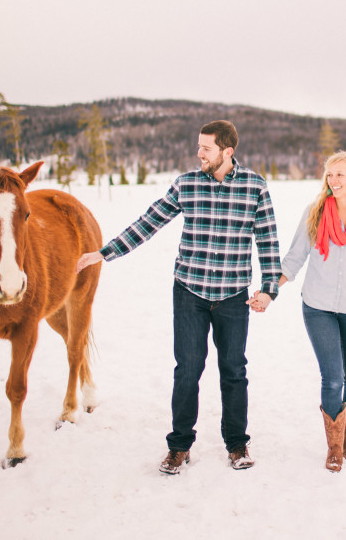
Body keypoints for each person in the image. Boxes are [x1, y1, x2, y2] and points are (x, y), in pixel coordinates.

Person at [76, 120, 281, 474]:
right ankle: (179, 446)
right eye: (199, 146)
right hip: (190, 292)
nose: (198, 153)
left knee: (234, 370)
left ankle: (236, 444)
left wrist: (268, 289)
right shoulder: (186, 184)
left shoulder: (254, 187)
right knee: (187, 370)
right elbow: (148, 222)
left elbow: (268, 241)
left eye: (206, 148)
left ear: (227, 151)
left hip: (233, 296)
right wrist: (104, 253)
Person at [253, 151, 346, 472]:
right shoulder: (315, 213)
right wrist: (269, 292)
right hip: (318, 306)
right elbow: (294, 258)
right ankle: (334, 449)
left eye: (340, 174)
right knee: (333, 377)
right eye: (330, 174)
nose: (334, 180)